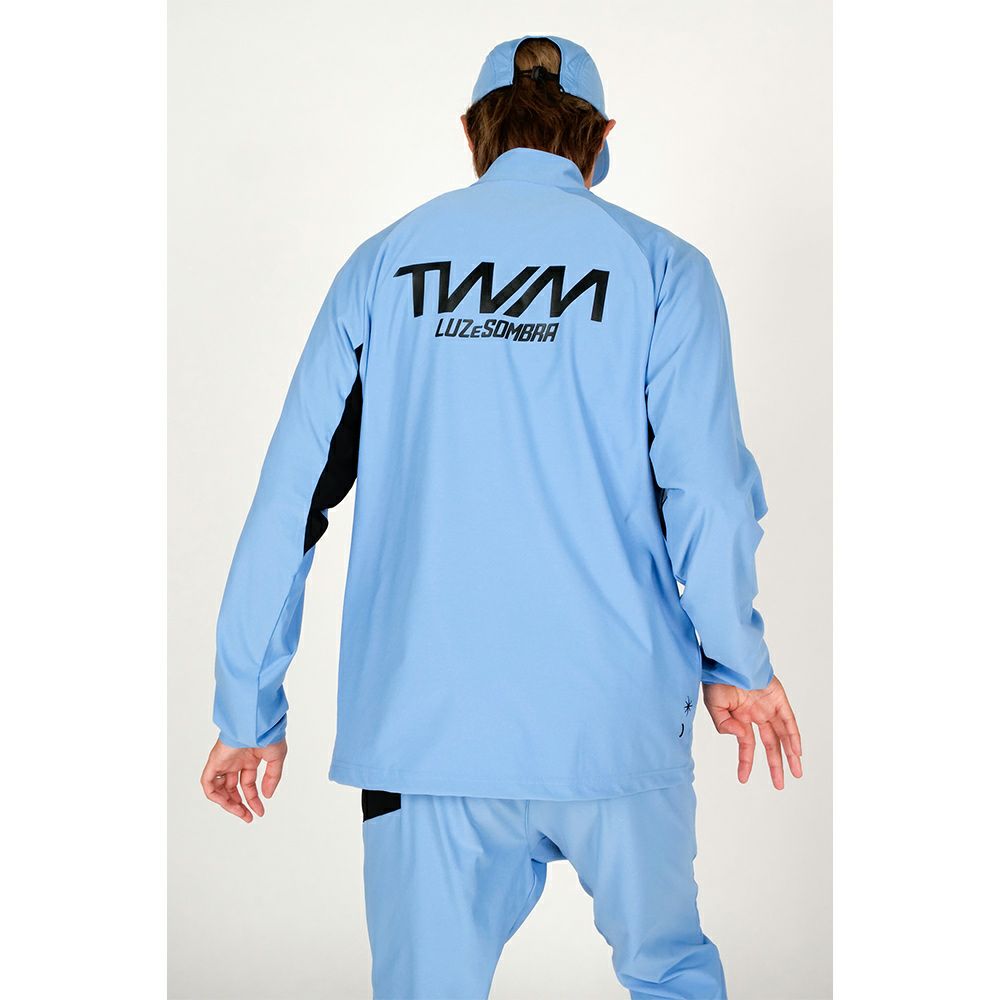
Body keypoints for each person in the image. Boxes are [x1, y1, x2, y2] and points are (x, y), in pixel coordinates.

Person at [200, 34, 803, 1000]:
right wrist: (737, 663)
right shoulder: (663, 269)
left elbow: (292, 496)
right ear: (601, 137)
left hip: (424, 738)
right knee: (670, 975)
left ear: (472, 133)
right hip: (614, 724)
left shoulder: (384, 265)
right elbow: (712, 497)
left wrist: (249, 709)